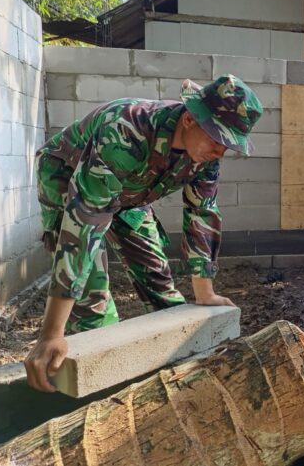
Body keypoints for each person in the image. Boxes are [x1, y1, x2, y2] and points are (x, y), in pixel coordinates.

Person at [24, 74, 262, 392]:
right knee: (91, 293)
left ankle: (181, 375)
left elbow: (202, 213)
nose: (220, 151)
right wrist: (51, 333)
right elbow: (85, 225)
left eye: (229, 144)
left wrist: (204, 293)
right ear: (190, 119)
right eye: (217, 138)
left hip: (131, 189)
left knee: (158, 279)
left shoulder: (206, 157)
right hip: (68, 177)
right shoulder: (126, 130)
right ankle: (105, 388)